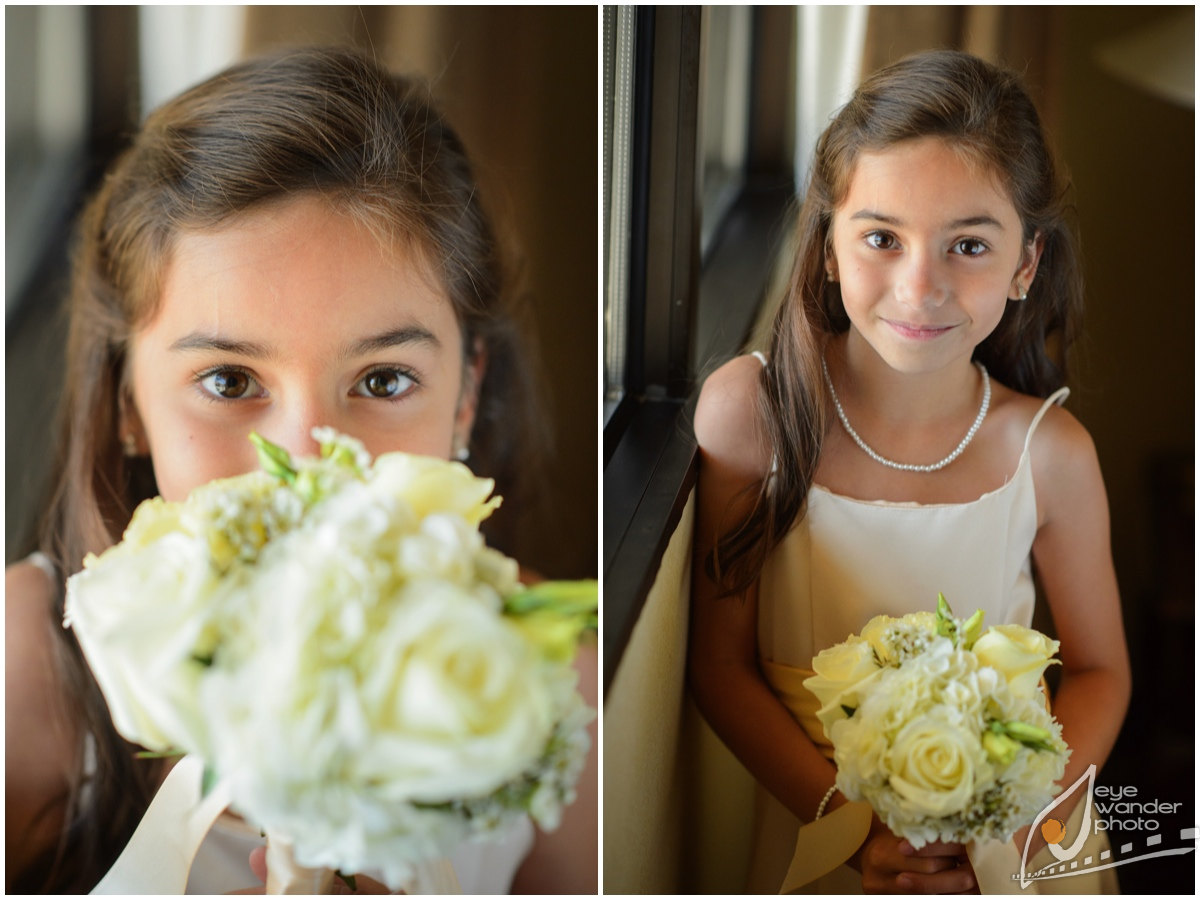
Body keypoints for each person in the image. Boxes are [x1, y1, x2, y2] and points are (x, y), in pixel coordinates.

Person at [5, 46, 597, 894]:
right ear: (128, 402)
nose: (310, 459)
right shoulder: (30, 669)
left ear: (465, 397)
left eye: (383, 381)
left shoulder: (545, 686)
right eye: (230, 382)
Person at [689, 50, 1129, 893]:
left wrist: (1027, 815)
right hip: (821, 830)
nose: (919, 287)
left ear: (1025, 265)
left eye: (968, 245)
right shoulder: (755, 413)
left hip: (1010, 851)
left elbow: (1103, 670)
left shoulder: (1052, 453)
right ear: (826, 248)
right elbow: (721, 666)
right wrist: (850, 829)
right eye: (882, 238)